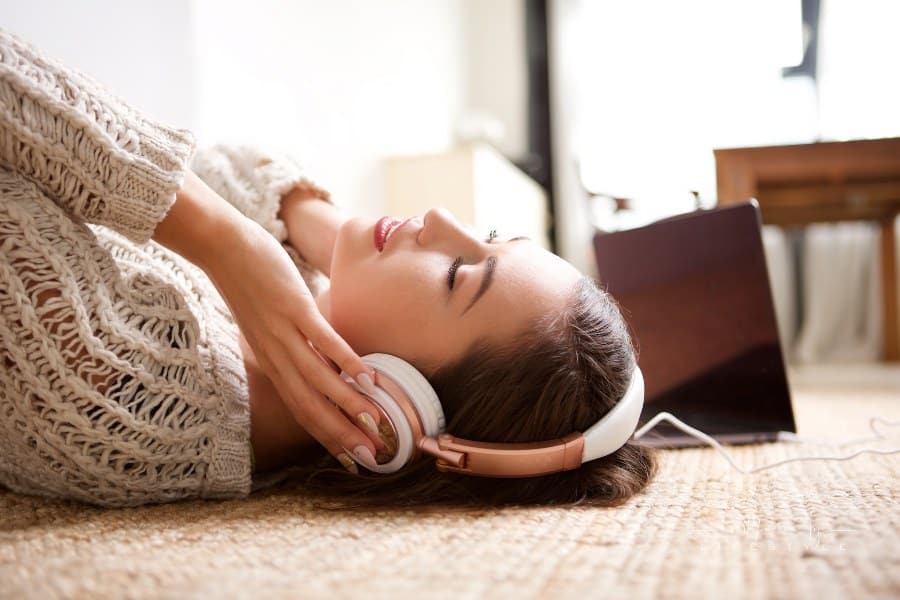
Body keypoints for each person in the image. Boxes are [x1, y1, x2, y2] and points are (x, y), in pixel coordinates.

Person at [0, 29, 656, 509]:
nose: (438, 218)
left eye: (458, 274)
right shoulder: (294, 327)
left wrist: (229, 243)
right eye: (487, 236)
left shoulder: (118, 384)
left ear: (387, 412)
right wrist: (316, 227)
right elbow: (226, 165)